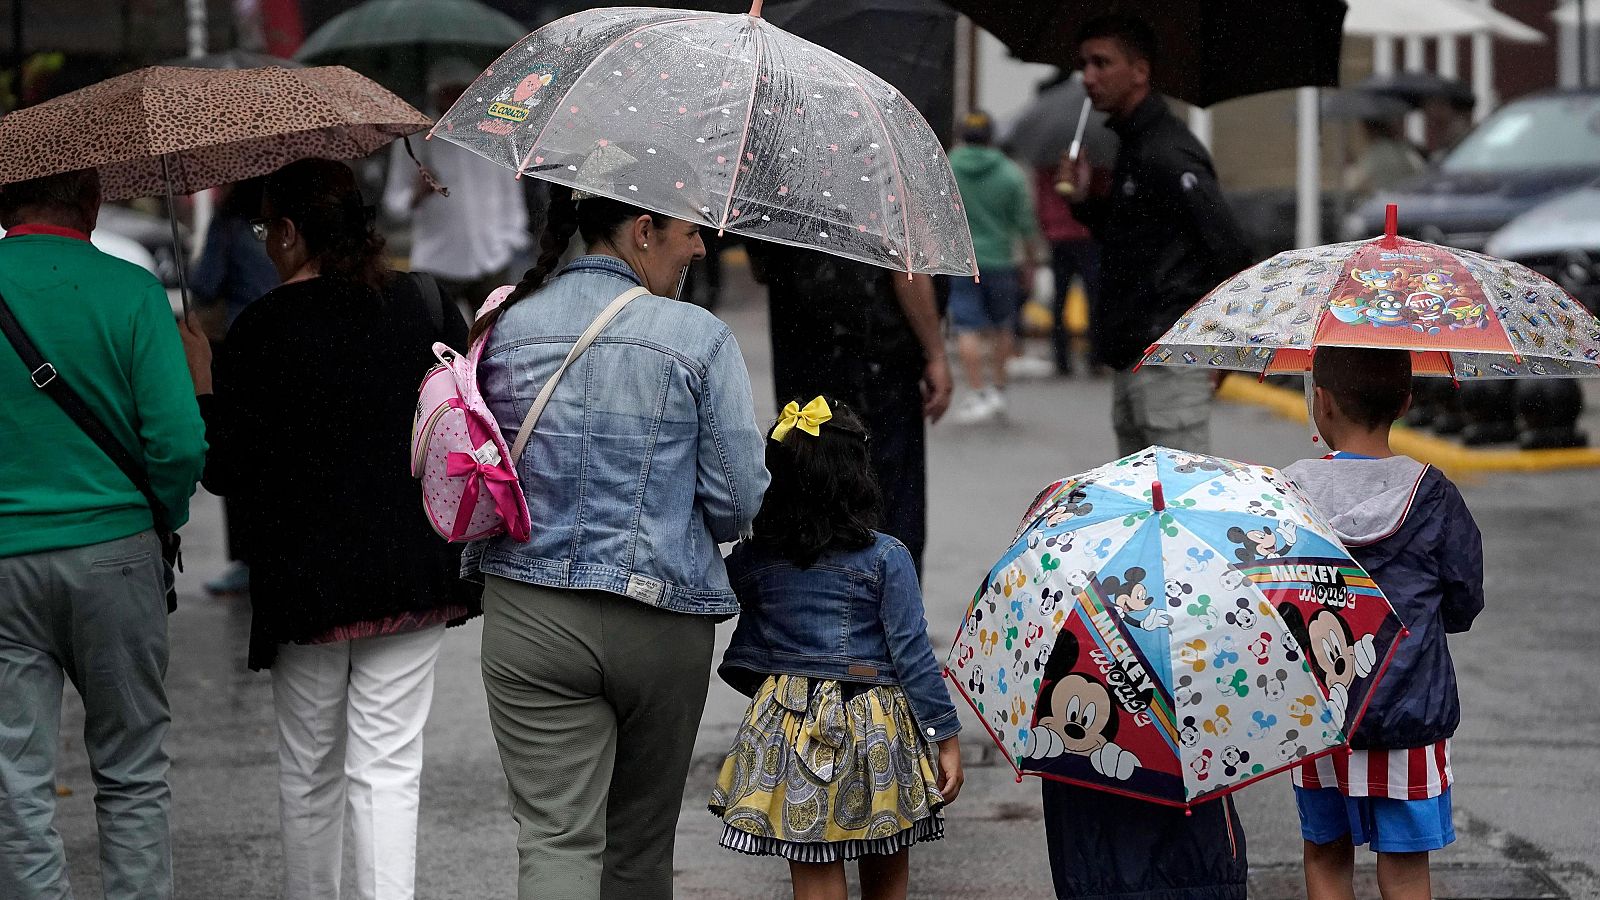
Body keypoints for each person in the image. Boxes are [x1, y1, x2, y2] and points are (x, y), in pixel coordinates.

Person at [179, 158, 476, 900]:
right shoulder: (421, 303)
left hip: (307, 585)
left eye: (264, 229)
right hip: (410, 570)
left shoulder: (259, 328)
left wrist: (206, 385)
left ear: (287, 231)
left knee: (310, 770)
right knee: (388, 767)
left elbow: (226, 472)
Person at [468, 182, 769, 900]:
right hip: (659, 624)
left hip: (529, 619)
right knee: (638, 846)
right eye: (690, 231)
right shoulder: (698, 337)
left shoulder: (505, 326)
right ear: (643, 230)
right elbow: (737, 501)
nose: (701, 247)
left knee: (554, 839)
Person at [0, 168, 207, 900]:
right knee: (132, 769)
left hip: (4, 564)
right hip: (117, 555)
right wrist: (163, 518)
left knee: (15, 781)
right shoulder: (132, 291)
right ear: (89, 203)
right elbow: (180, 443)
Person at [709, 396, 963, 900]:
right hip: (876, 727)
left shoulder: (756, 560)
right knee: (886, 854)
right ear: (857, 478)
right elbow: (912, 658)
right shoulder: (887, 556)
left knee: (812, 859)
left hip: (789, 724)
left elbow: (708, 596)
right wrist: (945, 737)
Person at [1284, 346, 1484, 900]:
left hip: (1319, 716)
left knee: (1325, 856)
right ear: (1406, 400)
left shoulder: (1288, 495)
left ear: (1319, 403)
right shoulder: (1434, 494)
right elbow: (1464, 597)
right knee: (1404, 867)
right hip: (1410, 715)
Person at [1070, 14, 1252, 456]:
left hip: (1169, 356)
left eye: (1101, 63)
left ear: (1140, 71)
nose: (1088, 77)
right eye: (1084, 65)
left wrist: (1224, 346)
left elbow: (1231, 250)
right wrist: (1083, 200)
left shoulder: (1170, 152)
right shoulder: (1132, 145)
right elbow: (1134, 241)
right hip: (1133, 353)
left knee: (1177, 503)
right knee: (1142, 506)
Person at [750, 243, 952, 569]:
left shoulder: (779, 194)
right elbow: (906, 272)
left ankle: (816, 596)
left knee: (809, 492)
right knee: (889, 498)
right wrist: (936, 354)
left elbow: (760, 269)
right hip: (876, 360)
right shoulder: (887, 193)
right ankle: (884, 599)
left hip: (802, 357)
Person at [382, 57, 530, 314]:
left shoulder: (495, 131)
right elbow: (394, 205)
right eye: (448, 92)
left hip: (491, 257)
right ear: (435, 93)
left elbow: (510, 192)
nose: (455, 100)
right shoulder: (415, 137)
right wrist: (416, 195)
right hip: (437, 261)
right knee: (436, 341)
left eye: (462, 92)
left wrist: (511, 237)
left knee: (493, 339)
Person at [188, 176, 278, 597]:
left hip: (242, 350)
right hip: (292, 346)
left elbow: (206, 283)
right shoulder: (281, 222)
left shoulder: (229, 225)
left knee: (240, 454)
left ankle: (246, 560)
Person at [947, 110, 1041, 424]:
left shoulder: (948, 167)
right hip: (1002, 260)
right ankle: (998, 388)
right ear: (992, 137)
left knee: (967, 327)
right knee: (1002, 325)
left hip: (963, 260)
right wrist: (1030, 262)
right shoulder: (1010, 174)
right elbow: (1025, 224)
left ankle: (978, 391)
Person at [1034, 153, 1103, 376]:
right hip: (1084, 236)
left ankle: (1063, 358)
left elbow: (1042, 200)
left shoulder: (1047, 167)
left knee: (1061, 299)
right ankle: (1093, 357)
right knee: (1091, 297)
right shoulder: (1092, 162)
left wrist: (1048, 227)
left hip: (1061, 236)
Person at [1346, 117, 1427, 197]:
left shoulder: (1377, 152)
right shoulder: (1404, 149)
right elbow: (1421, 172)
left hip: (1388, 202)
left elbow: (1354, 182)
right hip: (1406, 202)